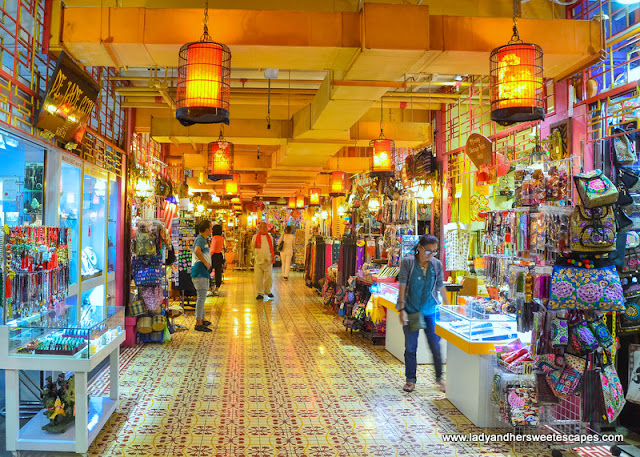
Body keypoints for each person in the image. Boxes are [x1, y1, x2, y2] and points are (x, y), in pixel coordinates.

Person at [397, 234, 450, 393]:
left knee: (435, 345)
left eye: (434, 251)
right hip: (412, 311)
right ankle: (410, 380)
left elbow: (440, 286)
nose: (431, 255)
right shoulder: (408, 263)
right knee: (411, 346)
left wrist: (448, 308)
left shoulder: (436, 264)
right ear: (419, 247)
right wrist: (401, 308)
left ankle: (440, 379)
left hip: (430, 311)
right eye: (428, 251)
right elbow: (403, 285)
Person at [191, 220, 213, 332]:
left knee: (202, 296)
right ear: (207, 229)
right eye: (211, 228)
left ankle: (202, 318)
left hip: (202, 272)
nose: (212, 230)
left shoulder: (202, 239)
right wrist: (205, 262)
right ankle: (198, 322)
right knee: (201, 297)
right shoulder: (200, 239)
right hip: (199, 271)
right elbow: (197, 251)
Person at [252, 222, 275, 300]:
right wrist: (256, 255)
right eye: (263, 227)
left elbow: (272, 248)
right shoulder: (255, 237)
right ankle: (260, 293)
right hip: (258, 260)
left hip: (268, 260)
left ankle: (268, 291)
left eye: (266, 227)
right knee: (258, 278)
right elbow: (253, 247)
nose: (265, 229)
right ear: (260, 228)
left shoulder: (270, 237)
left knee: (269, 277)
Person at [209, 224, 226, 295]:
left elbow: (212, 249)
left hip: (214, 256)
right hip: (220, 255)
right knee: (218, 272)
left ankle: (210, 288)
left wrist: (209, 255)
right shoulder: (222, 238)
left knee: (209, 270)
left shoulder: (214, 238)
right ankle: (217, 288)